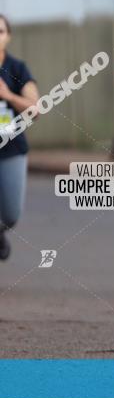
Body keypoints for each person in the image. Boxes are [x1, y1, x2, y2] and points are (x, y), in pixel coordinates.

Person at [0, 14, 40, 261]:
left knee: (11, 215)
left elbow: (36, 109)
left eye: (0, 31)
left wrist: (8, 95)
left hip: (11, 148)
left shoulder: (17, 69)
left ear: (9, 36)